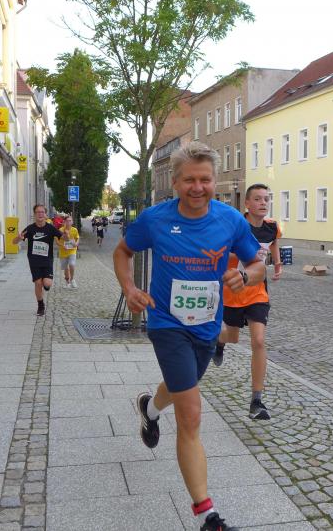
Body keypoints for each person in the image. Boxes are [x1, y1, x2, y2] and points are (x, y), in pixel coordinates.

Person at [113, 141, 265, 531]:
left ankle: (149, 409)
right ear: (176, 183)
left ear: (215, 180)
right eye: (189, 180)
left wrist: (245, 275)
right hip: (166, 324)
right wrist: (130, 289)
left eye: (205, 180)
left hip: (207, 327)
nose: (198, 188)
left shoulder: (230, 220)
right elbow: (123, 252)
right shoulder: (155, 219)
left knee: (183, 387)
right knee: (191, 413)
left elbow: (257, 264)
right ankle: (207, 515)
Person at [212, 183, 282, 421]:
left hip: (257, 291)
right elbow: (220, 253)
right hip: (233, 291)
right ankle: (219, 341)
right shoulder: (235, 226)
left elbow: (274, 243)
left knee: (259, 340)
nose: (263, 203)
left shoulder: (272, 227)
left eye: (266, 199)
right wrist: (247, 254)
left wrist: (277, 264)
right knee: (232, 336)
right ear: (247, 204)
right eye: (258, 199)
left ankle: (256, 401)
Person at [12, 204, 67, 316]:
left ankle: (46, 285)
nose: (40, 214)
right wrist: (19, 238)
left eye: (42, 212)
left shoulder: (50, 228)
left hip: (47, 260)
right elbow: (14, 242)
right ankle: (40, 306)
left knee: (47, 283)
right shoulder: (30, 228)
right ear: (34, 214)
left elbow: (64, 238)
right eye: (38, 212)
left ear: (45, 214)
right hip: (34, 260)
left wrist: (66, 234)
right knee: (38, 283)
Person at [57, 215, 79, 288]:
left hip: (72, 250)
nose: (68, 222)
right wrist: (62, 246)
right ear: (64, 222)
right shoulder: (60, 230)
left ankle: (72, 279)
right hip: (63, 252)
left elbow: (77, 238)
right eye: (67, 221)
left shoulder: (75, 230)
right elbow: (57, 242)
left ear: (72, 222)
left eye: (70, 221)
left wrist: (76, 244)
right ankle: (67, 282)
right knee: (65, 268)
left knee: (72, 264)